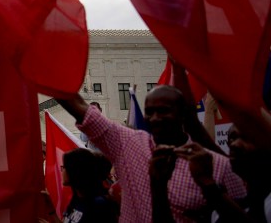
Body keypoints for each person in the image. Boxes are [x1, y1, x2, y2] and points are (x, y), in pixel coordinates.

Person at [57, 86, 244, 223]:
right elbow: (79, 107)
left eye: (163, 111)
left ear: (183, 114)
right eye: (149, 112)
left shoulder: (218, 166)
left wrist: (209, 187)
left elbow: (243, 215)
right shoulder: (128, 144)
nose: (155, 118)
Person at [61, 148, 119, 223]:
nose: (62, 171)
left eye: (64, 167)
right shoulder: (76, 199)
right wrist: (51, 210)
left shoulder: (99, 205)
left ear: (75, 171)